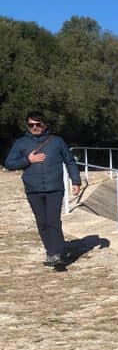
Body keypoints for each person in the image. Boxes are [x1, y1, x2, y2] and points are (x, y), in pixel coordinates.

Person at [4, 110, 81, 268]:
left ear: (44, 124)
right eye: (31, 125)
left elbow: (70, 161)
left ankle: (58, 254)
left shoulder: (57, 141)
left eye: (37, 124)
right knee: (42, 222)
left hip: (55, 188)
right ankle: (50, 252)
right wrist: (27, 160)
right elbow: (9, 164)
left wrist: (76, 181)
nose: (34, 127)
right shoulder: (21, 143)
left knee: (53, 220)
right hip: (33, 189)